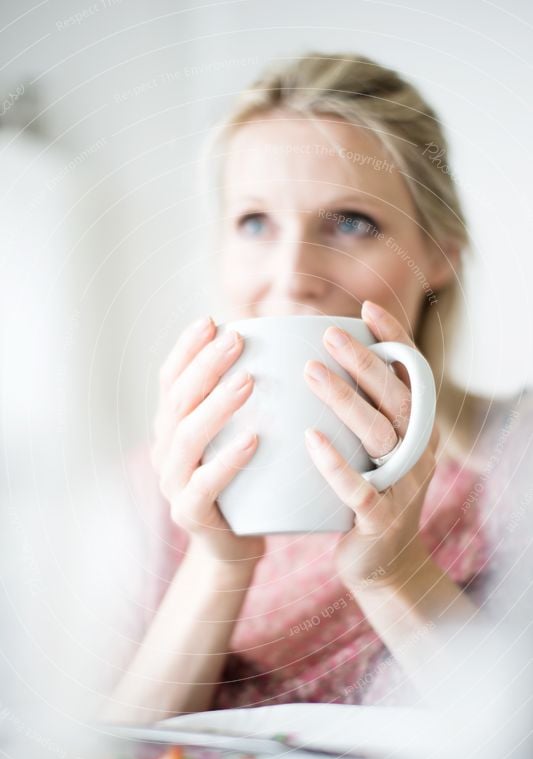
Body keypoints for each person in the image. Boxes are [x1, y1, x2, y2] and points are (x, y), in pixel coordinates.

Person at [96, 52, 508, 725]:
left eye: (350, 221)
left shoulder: (509, 472)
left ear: (437, 256)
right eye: (254, 222)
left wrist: (394, 571)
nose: (291, 275)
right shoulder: (151, 494)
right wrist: (218, 562)